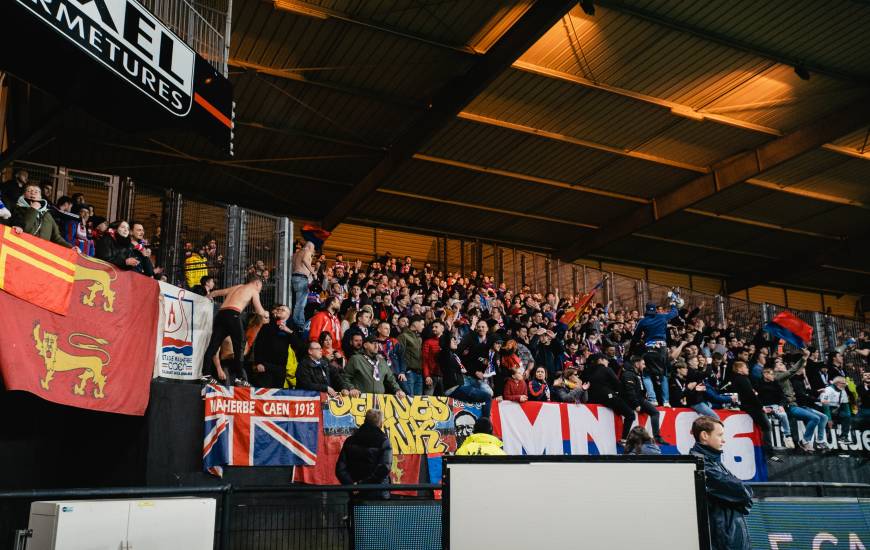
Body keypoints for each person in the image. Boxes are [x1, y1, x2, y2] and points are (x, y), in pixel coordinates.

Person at [690, 416, 753, 550]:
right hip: (724, 540)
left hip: (729, 536)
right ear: (704, 435)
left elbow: (745, 494)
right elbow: (743, 493)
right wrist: (742, 496)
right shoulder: (701, 465)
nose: (723, 440)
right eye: (719, 435)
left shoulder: (713, 462)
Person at [205, 274, 270, 385]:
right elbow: (259, 311)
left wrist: (207, 297)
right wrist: (266, 314)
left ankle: (205, 374)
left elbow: (215, 293)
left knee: (213, 345)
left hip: (220, 315)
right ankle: (240, 377)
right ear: (257, 283)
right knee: (240, 345)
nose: (260, 289)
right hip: (233, 314)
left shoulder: (237, 286)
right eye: (260, 287)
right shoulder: (253, 290)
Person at [335, 409, 393, 499]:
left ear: (365, 420)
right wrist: (362, 485)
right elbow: (384, 468)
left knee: (357, 513)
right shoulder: (384, 441)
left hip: (356, 494)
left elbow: (340, 469)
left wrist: (353, 486)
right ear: (380, 423)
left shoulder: (350, 440)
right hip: (378, 493)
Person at [583, 353, 636, 444]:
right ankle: (623, 440)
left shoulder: (587, 371)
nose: (608, 361)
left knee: (618, 409)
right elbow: (618, 384)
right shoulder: (607, 369)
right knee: (631, 414)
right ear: (600, 360)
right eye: (606, 359)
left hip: (593, 399)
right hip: (608, 397)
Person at [633, 302, 679, 405]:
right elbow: (675, 312)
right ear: (656, 310)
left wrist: (635, 347)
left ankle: (653, 399)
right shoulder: (662, 317)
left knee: (646, 374)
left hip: (649, 348)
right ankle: (666, 401)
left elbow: (635, 337)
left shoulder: (643, 321)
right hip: (662, 348)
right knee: (663, 375)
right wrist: (672, 304)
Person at [251, 304, 304, 388]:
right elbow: (259, 345)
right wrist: (258, 362)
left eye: (283, 310)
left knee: (276, 394)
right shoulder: (267, 326)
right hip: (266, 366)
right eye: (278, 309)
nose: (279, 310)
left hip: (281, 368)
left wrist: (289, 331)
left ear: (288, 315)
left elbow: (299, 346)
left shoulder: (293, 328)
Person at [731, 360, 775, 459]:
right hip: (751, 407)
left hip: (747, 406)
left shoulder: (739, 379)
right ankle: (769, 453)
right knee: (766, 426)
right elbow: (751, 395)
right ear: (739, 369)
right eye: (745, 367)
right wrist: (761, 406)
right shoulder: (743, 379)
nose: (747, 369)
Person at [621, 356, 668, 445]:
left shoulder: (637, 374)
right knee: (654, 412)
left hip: (640, 399)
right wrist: (636, 405)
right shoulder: (628, 374)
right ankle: (656, 437)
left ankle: (656, 437)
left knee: (653, 412)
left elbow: (639, 389)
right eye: (643, 364)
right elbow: (630, 391)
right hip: (635, 400)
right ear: (636, 364)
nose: (644, 366)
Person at [342, 335, 407, 398]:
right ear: (365, 345)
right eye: (373, 343)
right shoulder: (356, 359)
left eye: (377, 343)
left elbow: (391, 379)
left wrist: (398, 390)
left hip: (379, 401)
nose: (376, 346)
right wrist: (351, 388)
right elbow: (345, 377)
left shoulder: (382, 361)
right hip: (360, 400)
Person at [819, 376, 854, 444]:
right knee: (827, 419)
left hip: (835, 408)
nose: (845, 385)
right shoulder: (828, 390)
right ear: (837, 383)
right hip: (822, 408)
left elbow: (845, 406)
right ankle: (826, 437)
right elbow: (825, 405)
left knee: (847, 415)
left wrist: (848, 416)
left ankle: (844, 437)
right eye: (843, 383)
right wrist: (829, 419)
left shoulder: (843, 391)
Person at [291, 241, 317, 330]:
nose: (313, 251)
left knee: (295, 302)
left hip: (294, 278)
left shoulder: (295, 254)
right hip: (302, 278)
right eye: (313, 249)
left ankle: (293, 321)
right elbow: (305, 260)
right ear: (310, 247)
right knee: (301, 303)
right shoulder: (307, 251)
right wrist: (313, 272)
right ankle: (299, 324)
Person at [398, 315, 424, 396]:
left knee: (418, 402)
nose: (423, 327)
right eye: (422, 324)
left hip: (419, 374)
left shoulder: (419, 339)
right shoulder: (403, 336)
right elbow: (399, 355)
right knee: (409, 400)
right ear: (415, 324)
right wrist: (402, 371)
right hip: (408, 373)